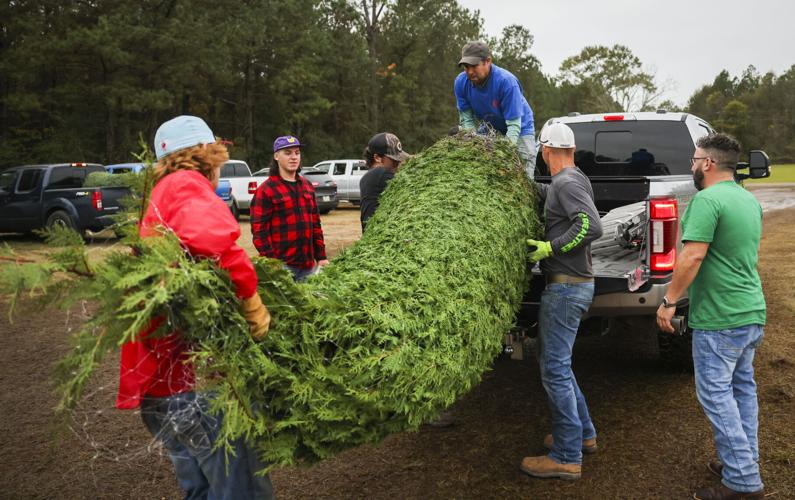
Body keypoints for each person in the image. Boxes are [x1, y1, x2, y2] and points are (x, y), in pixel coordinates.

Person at [116, 115, 274, 499]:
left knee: (200, 489)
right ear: (207, 154)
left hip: (162, 388)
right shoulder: (185, 184)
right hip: (195, 385)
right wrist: (250, 298)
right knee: (241, 489)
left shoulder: (159, 195)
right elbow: (213, 239)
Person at [657, 133, 766, 500]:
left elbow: (692, 257)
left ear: (708, 163)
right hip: (750, 310)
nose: (691, 165)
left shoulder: (707, 200)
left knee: (715, 395)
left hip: (720, 317)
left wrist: (670, 300)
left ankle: (743, 481)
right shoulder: (746, 200)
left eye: (693, 159)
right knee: (741, 390)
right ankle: (742, 460)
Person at [519, 122, 603, 481]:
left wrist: (550, 247)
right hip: (575, 286)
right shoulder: (572, 178)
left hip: (567, 289)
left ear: (546, 151)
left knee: (553, 369)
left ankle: (566, 456)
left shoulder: (566, 182)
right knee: (559, 365)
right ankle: (582, 435)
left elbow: (591, 226)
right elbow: (552, 196)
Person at [250, 135, 329, 281]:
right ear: (276, 156)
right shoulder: (266, 190)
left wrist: (321, 256)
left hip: (308, 266)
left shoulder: (307, 186)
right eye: (288, 153)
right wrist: (272, 263)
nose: (294, 157)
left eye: (297, 153)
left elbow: (315, 225)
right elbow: (259, 231)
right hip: (282, 268)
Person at [454, 40, 537, 178]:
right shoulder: (461, 83)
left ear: (488, 61)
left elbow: (514, 127)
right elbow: (467, 120)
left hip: (520, 127)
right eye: (466, 67)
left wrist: (503, 152)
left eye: (474, 66)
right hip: (491, 127)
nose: (469, 72)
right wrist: (471, 142)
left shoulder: (506, 82)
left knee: (523, 175)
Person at [359, 132, 410, 232]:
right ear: (377, 158)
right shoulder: (380, 173)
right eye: (394, 160)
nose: (398, 162)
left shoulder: (371, 176)